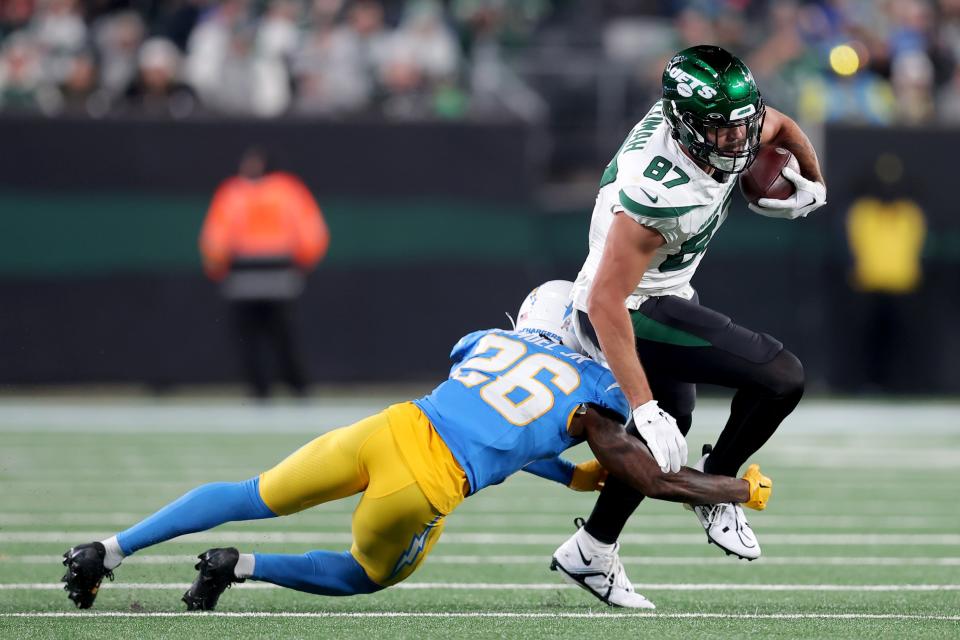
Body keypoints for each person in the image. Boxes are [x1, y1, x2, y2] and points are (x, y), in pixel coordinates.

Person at [61, 281, 771, 611]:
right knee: (365, 576)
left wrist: (564, 476)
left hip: (390, 427)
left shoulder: (488, 341)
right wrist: (737, 488)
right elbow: (647, 478)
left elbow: (498, 419)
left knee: (252, 492)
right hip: (425, 483)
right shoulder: (600, 393)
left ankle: (109, 549)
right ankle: (239, 567)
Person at [550, 45, 825, 606]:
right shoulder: (659, 191)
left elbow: (781, 125)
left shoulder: (726, 125)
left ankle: (592, 550)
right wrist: (642, 407)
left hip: (666, 291)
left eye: (741, 126)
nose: (740, 142)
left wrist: (814, 184)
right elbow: (605, 301)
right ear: (687, 126)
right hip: (627, 309)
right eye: (724, 133)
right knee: (780, 376)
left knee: (673, 427)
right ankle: (717, 484)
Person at [199, 147, 329, 399]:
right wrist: (303, 264)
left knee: (253, 338)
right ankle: (297, 387)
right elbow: (312, 233)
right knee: (281, 335)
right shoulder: (288, 190)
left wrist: (216, 266)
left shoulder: (233, 192)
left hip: (244, 277)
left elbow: (215, 238)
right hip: (279, 275)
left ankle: (261, 390)